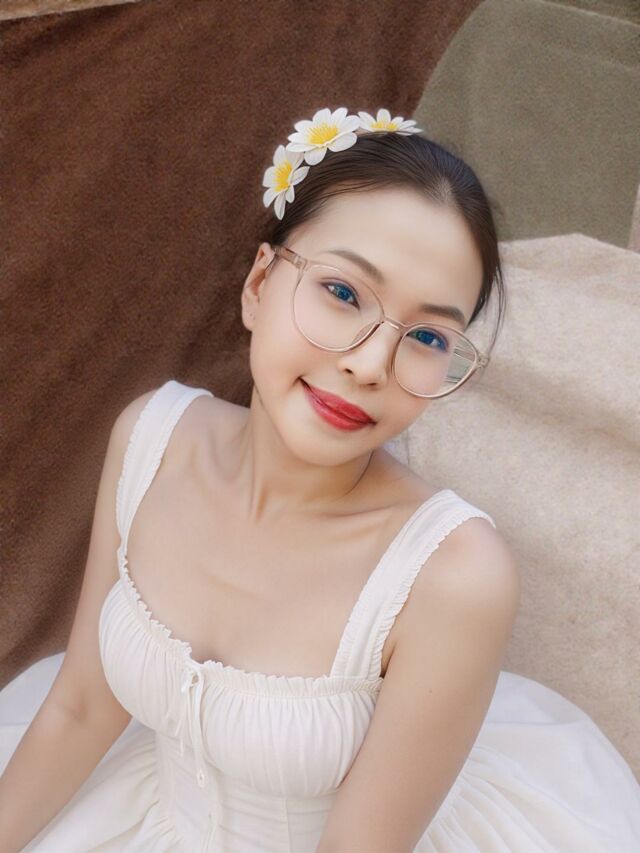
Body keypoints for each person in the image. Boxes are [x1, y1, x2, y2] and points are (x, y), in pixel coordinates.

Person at [1, 106, 639, 852]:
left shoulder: (455, 576)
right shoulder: (150, 441)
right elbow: (79, 709)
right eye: (342, 293)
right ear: (259, 282)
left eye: (426, 336)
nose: (368, 365)